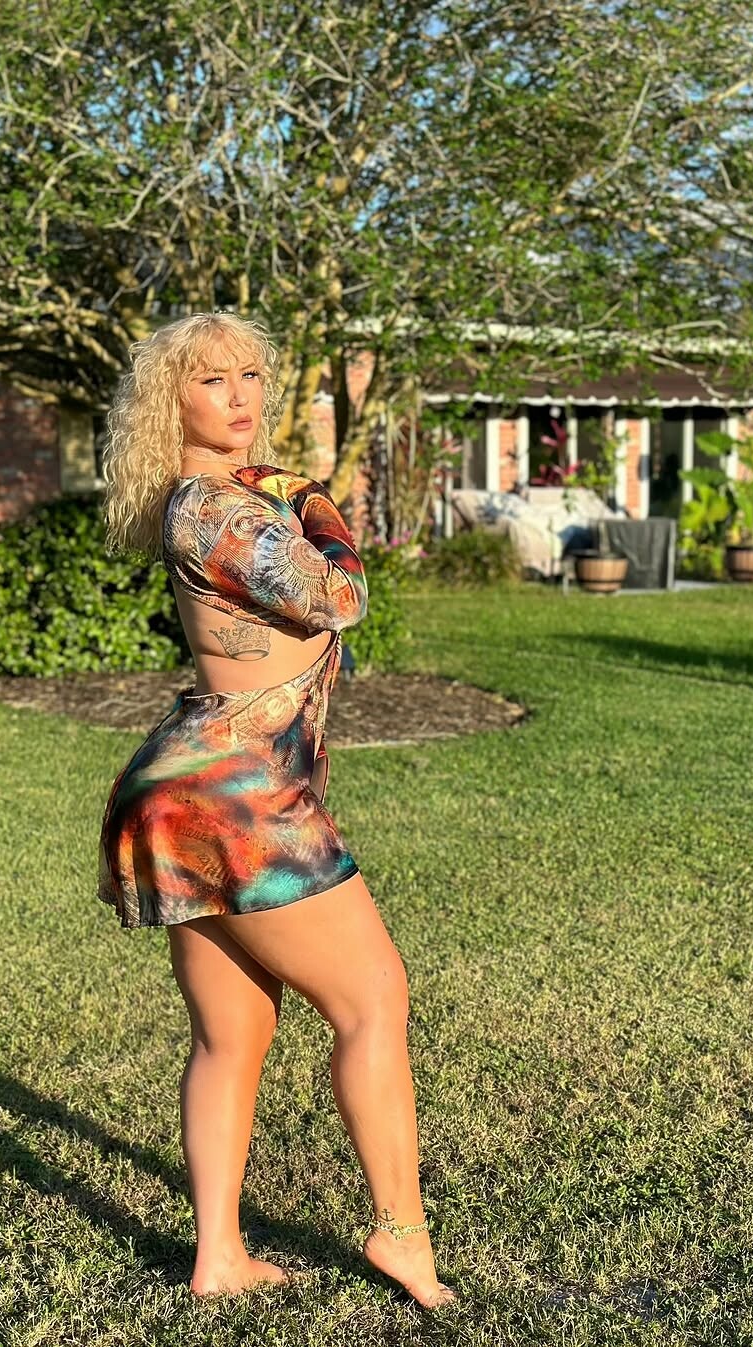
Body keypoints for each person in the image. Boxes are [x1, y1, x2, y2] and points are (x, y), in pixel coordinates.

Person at [96, 311, 456, 1309]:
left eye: (251, 376)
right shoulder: (219, 509)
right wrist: (311, 496)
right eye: (213, 381)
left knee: (235, 1033)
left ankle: (218, 1257)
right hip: (240, 794)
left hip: (194, 788)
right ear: (171, 402)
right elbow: (339, 595)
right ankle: (401, 1234)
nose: (241, 396)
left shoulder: (204, 502)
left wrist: (286, 491)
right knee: (373, 999)